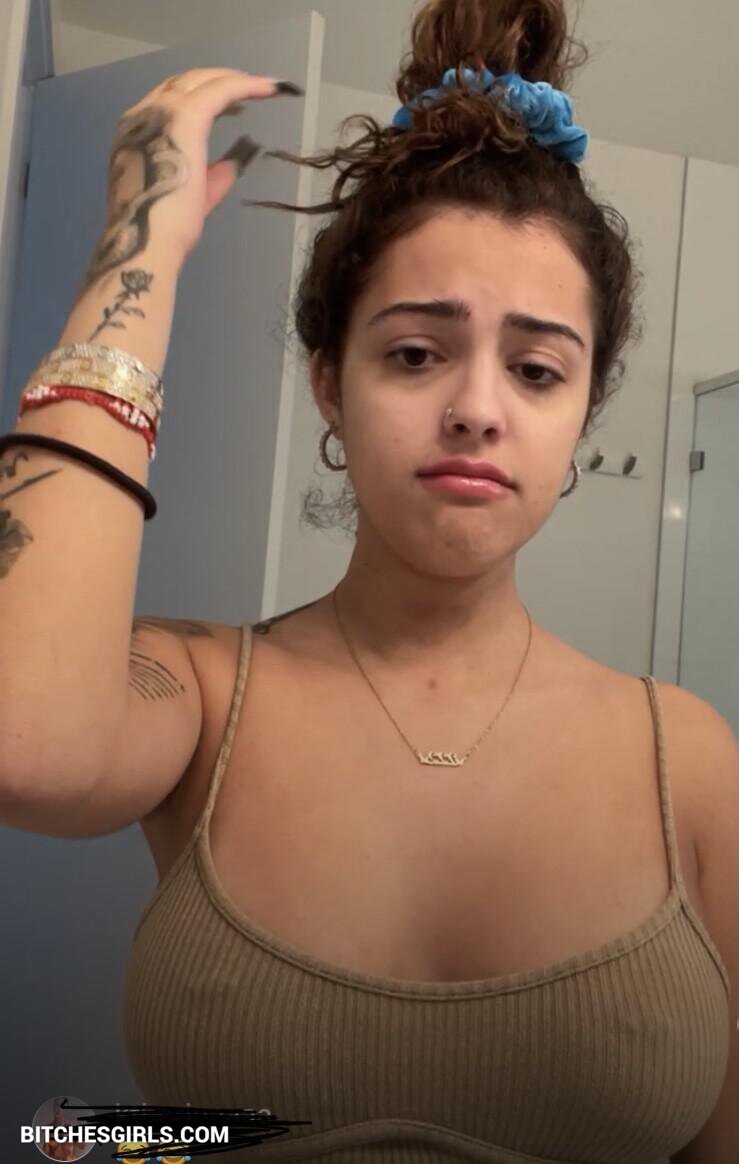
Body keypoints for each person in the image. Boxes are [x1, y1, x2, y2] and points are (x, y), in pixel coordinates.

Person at [1, 0, 736, 1160]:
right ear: (329, 385)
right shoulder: (198, 696)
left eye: (537, 370)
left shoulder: (686, 759)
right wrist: (138, 248)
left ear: (582, 415)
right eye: (414, 352)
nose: (477, 408)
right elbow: (24, 744)